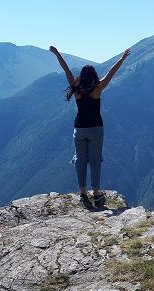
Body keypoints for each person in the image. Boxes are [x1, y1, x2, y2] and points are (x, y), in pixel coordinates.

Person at [49, 45, 130, 207]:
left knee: (80, 160)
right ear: (93, 76)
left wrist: (57, 53)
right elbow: (111, 73)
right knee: (95, 161)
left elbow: (67, 71)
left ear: (82, 76)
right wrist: (122, 58)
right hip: (96, 129)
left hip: (79, 128)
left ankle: (83, 193)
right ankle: (97, 193)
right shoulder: (98, 88)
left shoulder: (76, 89)